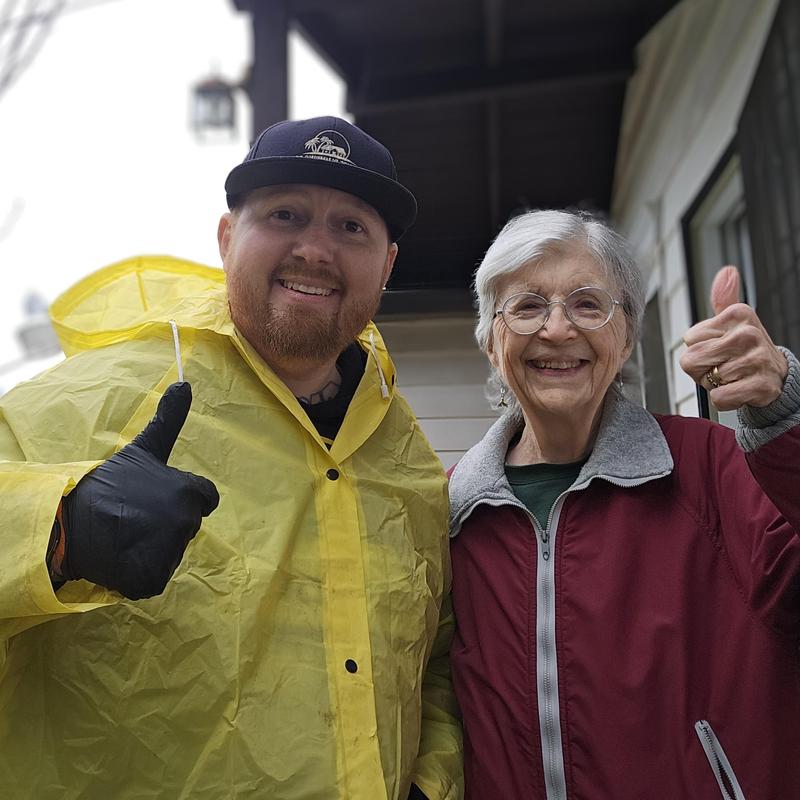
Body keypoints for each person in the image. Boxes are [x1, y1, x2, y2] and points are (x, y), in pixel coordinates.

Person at [0, 116, 463, 800]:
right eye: (285, 213)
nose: (315, 249)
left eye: (352, 227)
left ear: (388, 263)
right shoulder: (97, 397)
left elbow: (438, 662)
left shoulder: (410, 458)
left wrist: (434, 781)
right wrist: (58, 531)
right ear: (226, 238)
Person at [447, 209, 800, 798]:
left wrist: (784, 414)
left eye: (588, 305)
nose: (558, 330)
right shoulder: (453, 511)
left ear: (627, 335)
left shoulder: (712, 470)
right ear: (490, 340)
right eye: (528, 306)